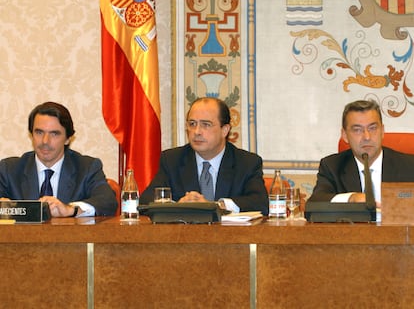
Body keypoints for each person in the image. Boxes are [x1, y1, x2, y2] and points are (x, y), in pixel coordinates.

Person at [140, 97, 269, 215]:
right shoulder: (172, 160)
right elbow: (145, 201)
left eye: (205, 125)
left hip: (231, 238)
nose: (197, 132)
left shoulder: (247, 163)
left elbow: (260, 203)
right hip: (184, 238)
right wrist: (178, 205)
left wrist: (217, 206)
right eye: (192, 124)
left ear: (225, 130)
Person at [0, 102, 118, 217]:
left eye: (54, 134)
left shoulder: (87, 167)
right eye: (39, 132)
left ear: (68, 139)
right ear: (31, 135)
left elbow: (108, 202)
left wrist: (71, 210)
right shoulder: (9, 170)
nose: (45, 141)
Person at [308, 99, 414, 214]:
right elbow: (313, 206)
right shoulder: (332, 166)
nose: (367, 137)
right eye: (357, 130)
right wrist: (350, 198)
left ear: (382, 131)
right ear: (345, 135)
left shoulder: (409, 165)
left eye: (372, 128)